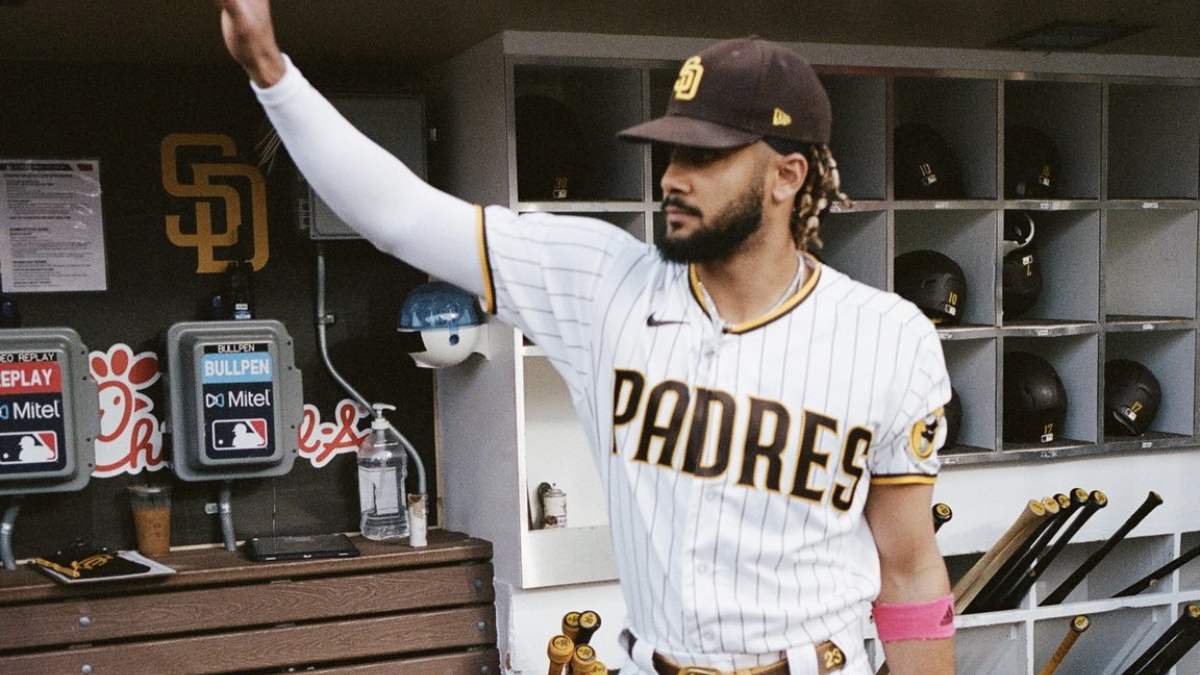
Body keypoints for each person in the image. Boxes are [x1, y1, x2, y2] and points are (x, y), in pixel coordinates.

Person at [216, 2, 955, 673]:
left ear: (787, 174)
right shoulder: (602, 282)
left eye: (705, 156)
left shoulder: (887, 335)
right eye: (671, 152)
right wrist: (271, 73)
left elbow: (910, 568)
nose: (672, 177)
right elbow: (400, 216)